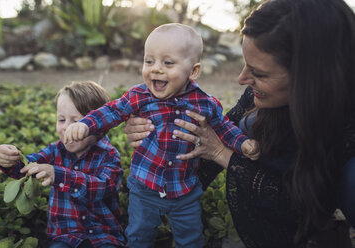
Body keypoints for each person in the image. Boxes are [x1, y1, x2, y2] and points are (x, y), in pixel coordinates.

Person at [123, 0, 355, 247]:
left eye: (259, 73)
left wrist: (223, 154)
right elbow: (219, 132)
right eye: (245, 64)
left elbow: (301, 203)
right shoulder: (258, 100)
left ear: (311, 76)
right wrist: (155, 131)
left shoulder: (345, 126)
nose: (241, 78)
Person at [63, 23, 259, 247]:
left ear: (193, 71)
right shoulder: (140, 96)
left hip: (185, 190)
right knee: (138, 234)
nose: (156, 69)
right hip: (145, 186)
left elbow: (224, 127)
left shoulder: (204, 103)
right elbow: (112, 111)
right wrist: (86, 124)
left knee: (191, 238)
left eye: (168, 63)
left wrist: (242, 143)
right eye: (149, 61)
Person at [0, 81, 126, 248]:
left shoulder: (109, 156)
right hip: (64, 236)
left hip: (103, 235)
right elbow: (23, 169)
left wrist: (59, 175)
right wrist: (7, 160)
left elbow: (103, 187)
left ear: (99, 125)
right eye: (61, 119)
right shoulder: (55, 151)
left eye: (76, 122)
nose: (65, 128)